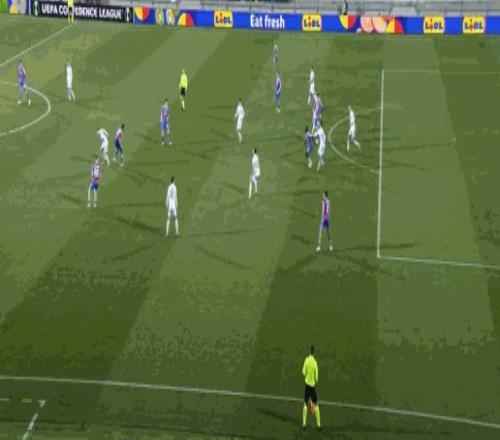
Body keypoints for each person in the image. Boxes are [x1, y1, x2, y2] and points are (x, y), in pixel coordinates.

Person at [302, 345, 321, 429]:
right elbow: (316, 378)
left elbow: (303, 372)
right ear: (314, 352)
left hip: (307, 386)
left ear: (309, 351)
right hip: (312, 387)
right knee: (316, 404)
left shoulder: (306, 360)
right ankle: (318, 424)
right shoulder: (315, 363)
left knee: (305, 404)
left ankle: (304, 424)